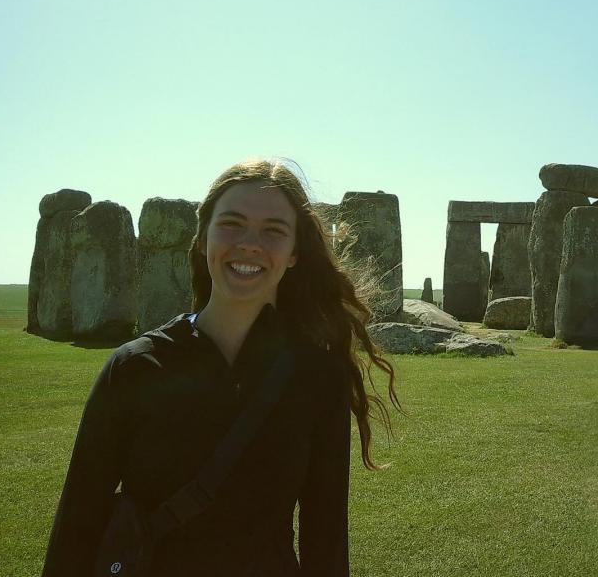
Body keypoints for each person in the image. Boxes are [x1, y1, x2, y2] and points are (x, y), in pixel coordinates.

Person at [41, 158, 400, 577]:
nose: (250, 243)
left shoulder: (317, 377)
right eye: (232, 223)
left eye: (273, 230)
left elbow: (327, 541)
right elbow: (76, 531)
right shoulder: (135, 368)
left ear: (294, 253)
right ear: (202, 238)